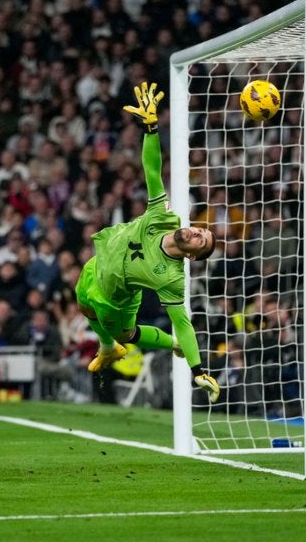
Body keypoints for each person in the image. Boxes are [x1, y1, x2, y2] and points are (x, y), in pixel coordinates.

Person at [74, 82, 220, 402]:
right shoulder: (163, 218)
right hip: (101, 260)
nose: (196, 232)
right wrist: (151, 128)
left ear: (193, 257)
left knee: (123, 332)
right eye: (200, 229)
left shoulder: (172, 277)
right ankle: (108, 347)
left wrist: (199, 371)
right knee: (81, 300)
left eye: (201, 240)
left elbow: (183, 321)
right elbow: (152, 170)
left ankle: (163, 346)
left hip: (117, 297)